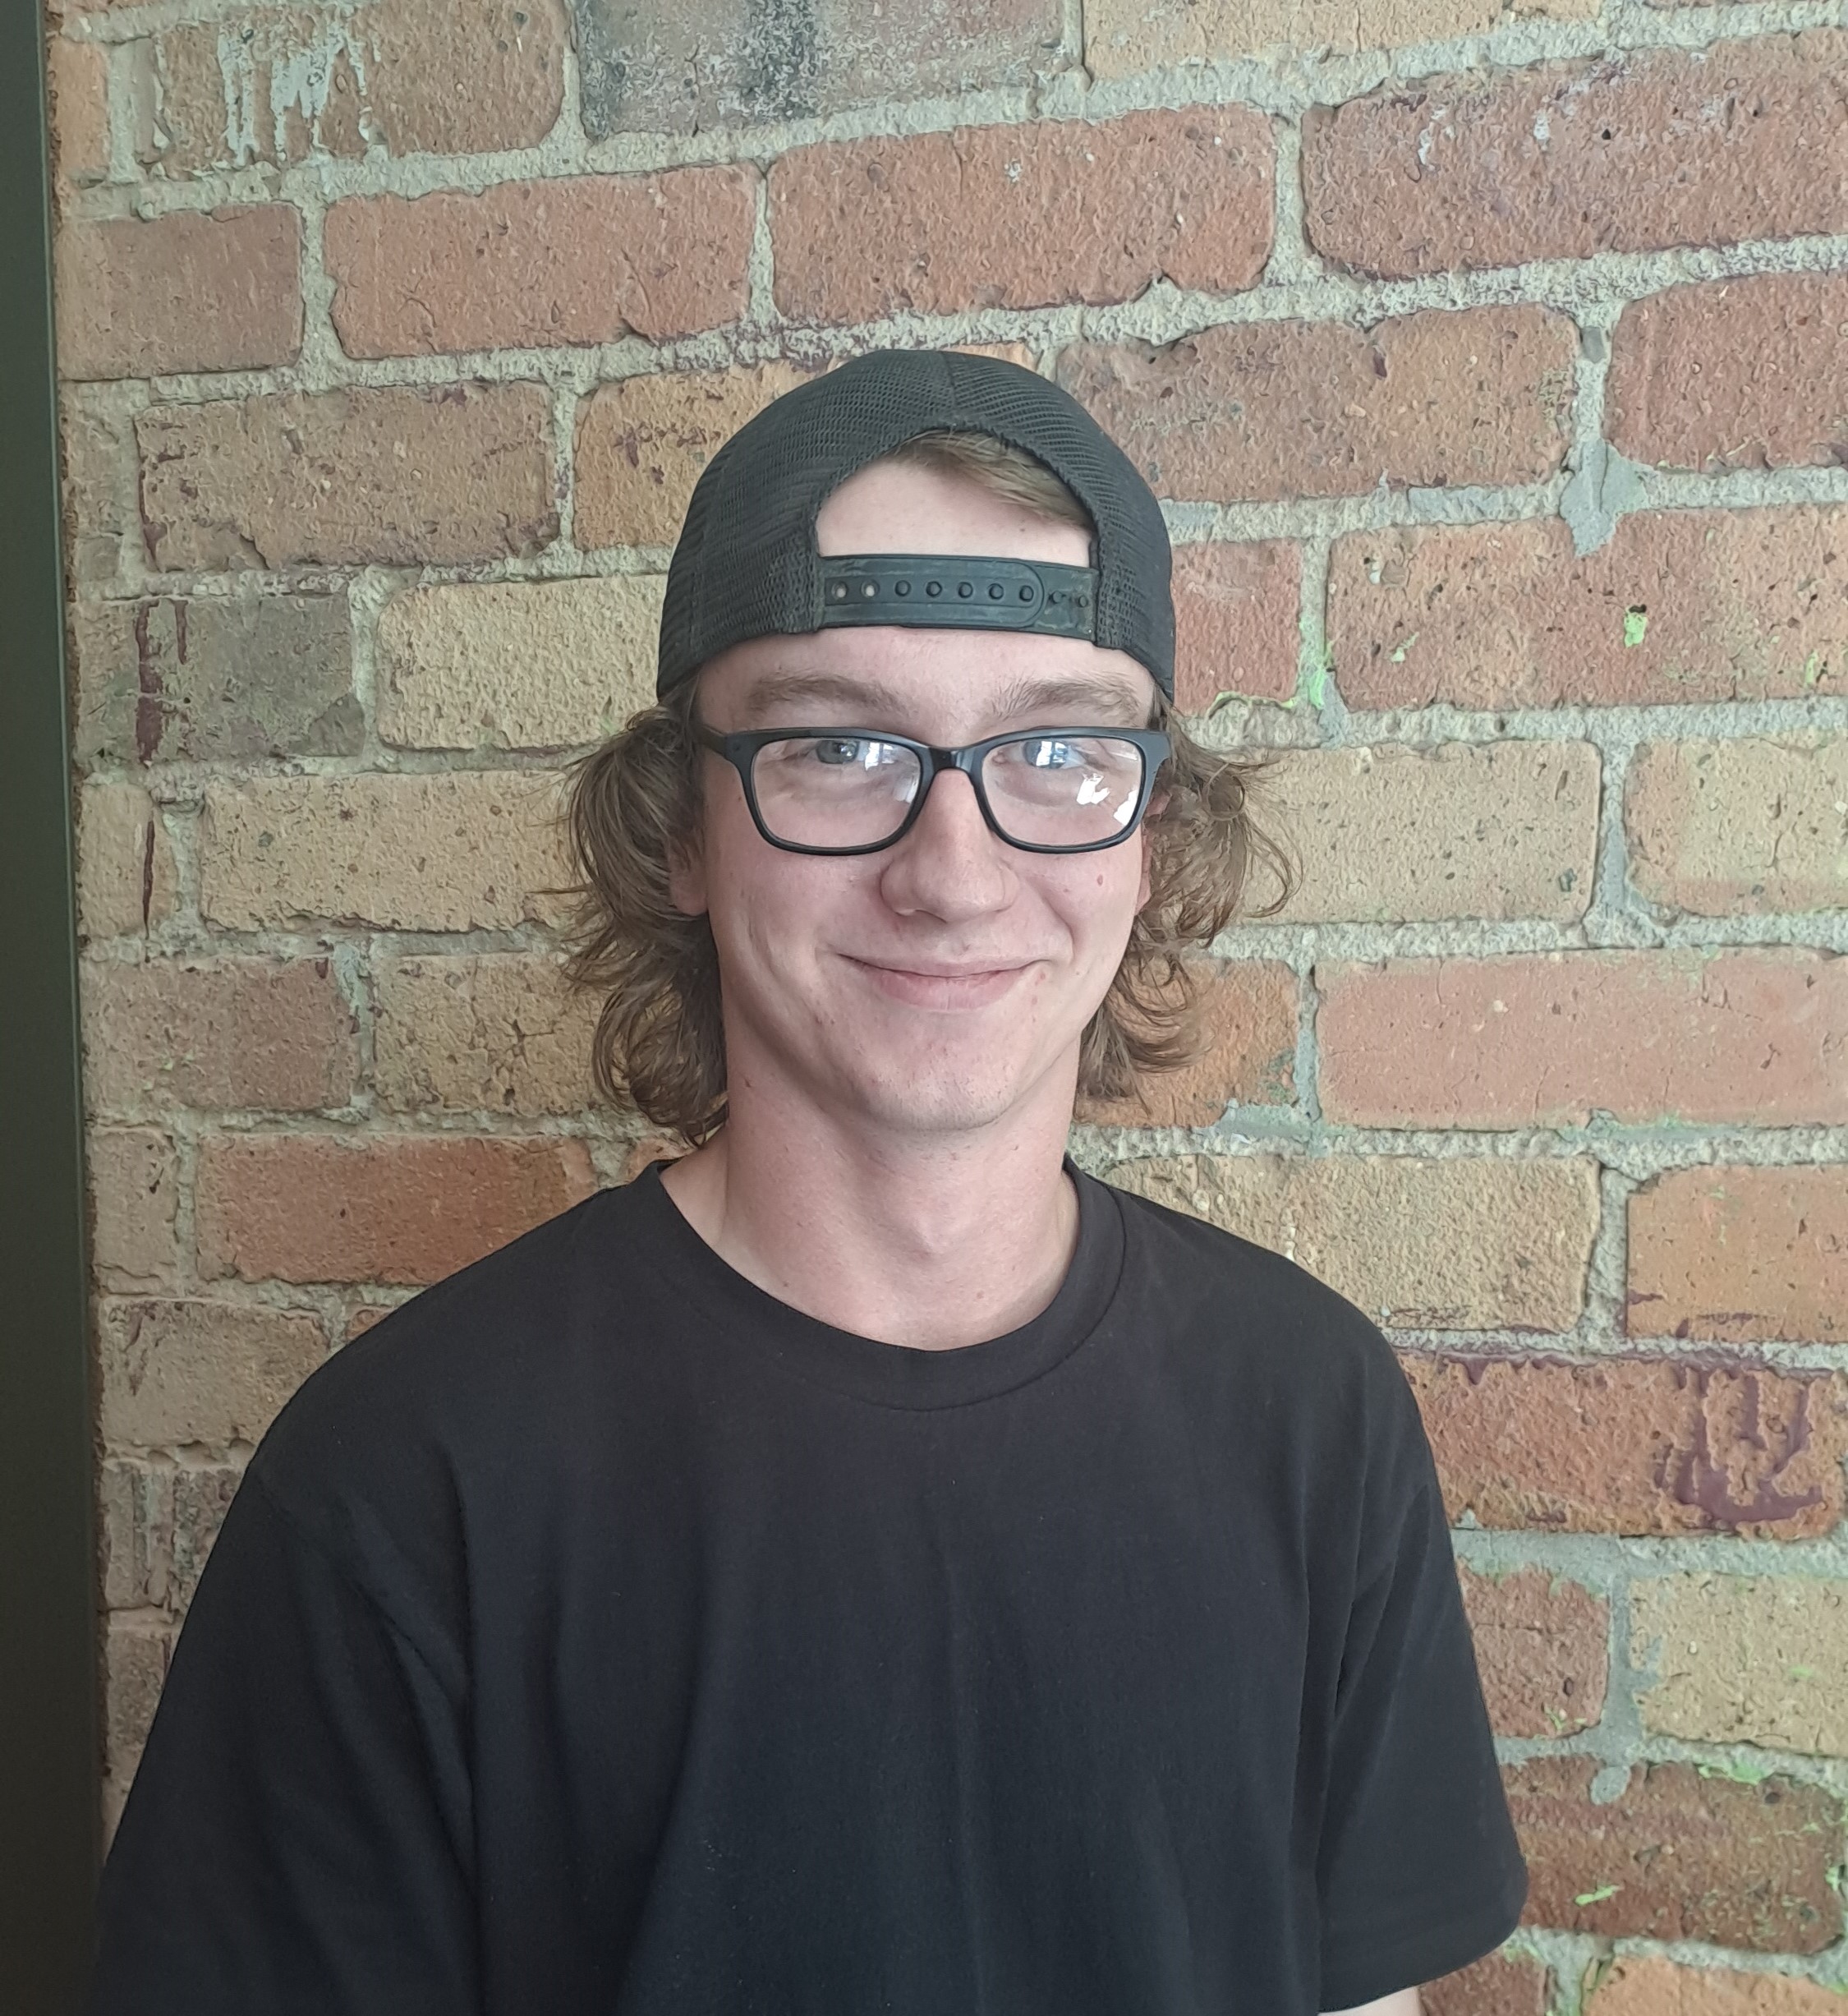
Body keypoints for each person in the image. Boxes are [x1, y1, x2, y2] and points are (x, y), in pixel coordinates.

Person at [85, 348, 1525, 2014]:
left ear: (1152, 839)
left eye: (1057, 754)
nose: (955, 871)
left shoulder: (1311, 1409)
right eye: (841, 748)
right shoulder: (407, 1486)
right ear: (679, 833)